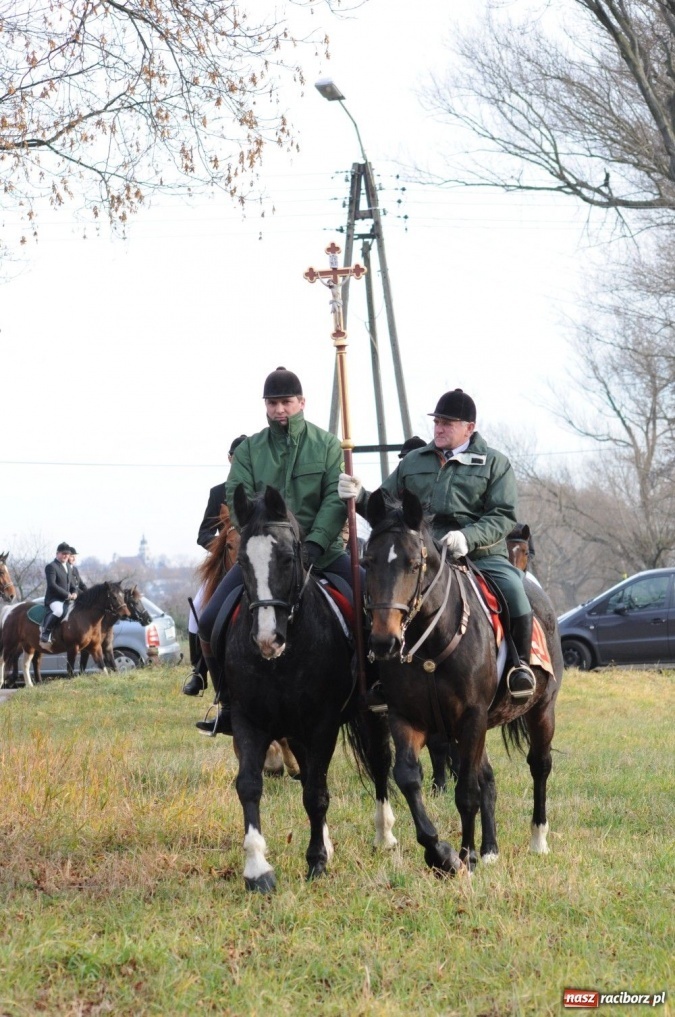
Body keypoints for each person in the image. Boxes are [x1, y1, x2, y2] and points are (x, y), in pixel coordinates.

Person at [338, 388, 537, 700]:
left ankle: (519, 666)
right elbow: (386, 510)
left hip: (480, 554)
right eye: (437, 422)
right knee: (377, 594)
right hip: (420, 555)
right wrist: (358, 496)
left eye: (448, 423)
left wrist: (468, 537)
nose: (440, 428)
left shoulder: (495, 463)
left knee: (514, 588)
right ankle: (376, 672)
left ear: (469, 428)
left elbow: (503, 516)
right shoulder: (414, 461)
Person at [195, 366, 348, 734]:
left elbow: (333, 499)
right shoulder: (249, 450)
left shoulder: (327, 445)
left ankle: (369, 687)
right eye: (273, 403)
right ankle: (227, 701)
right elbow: (237, 494)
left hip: (321, 551)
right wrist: (254, 535)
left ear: (301, 403)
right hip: (264, 559)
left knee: (366, 603)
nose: (280, 409)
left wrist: (313, 543)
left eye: (286, 402)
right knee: (210, 616)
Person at [182, 434, 248, 697]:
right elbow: (203, 534)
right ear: (230, 458)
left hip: (258, 562)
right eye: (238, 457)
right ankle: (198, 670)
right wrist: (222, 547)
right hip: (226, 564)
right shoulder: (218, 492)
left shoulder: (263, 488)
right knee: (198, 607)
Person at [39, 541, 75, 648]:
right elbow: (52, 585)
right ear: (57, 553)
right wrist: (67, 594)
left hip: (67, 599)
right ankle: (46, 632)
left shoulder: (68, 566)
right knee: (59, 610)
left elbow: (72, 583)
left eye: (67, 554)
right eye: (63, 553)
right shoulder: (51, 566)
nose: (65, 556)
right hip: (54, 599)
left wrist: (75, 592)